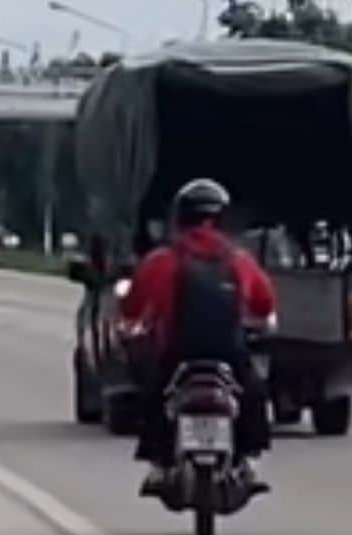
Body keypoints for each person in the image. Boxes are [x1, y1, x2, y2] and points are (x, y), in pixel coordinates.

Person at [119, 179, 277, 495]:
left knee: (154, 395)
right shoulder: (239, 260)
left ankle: (158, 464)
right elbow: (265, 304)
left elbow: (133, 306)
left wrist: (131, 324)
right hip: (229, 353)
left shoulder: (162, 260)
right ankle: (248, 459)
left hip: (177, 352)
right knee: (254, 392)